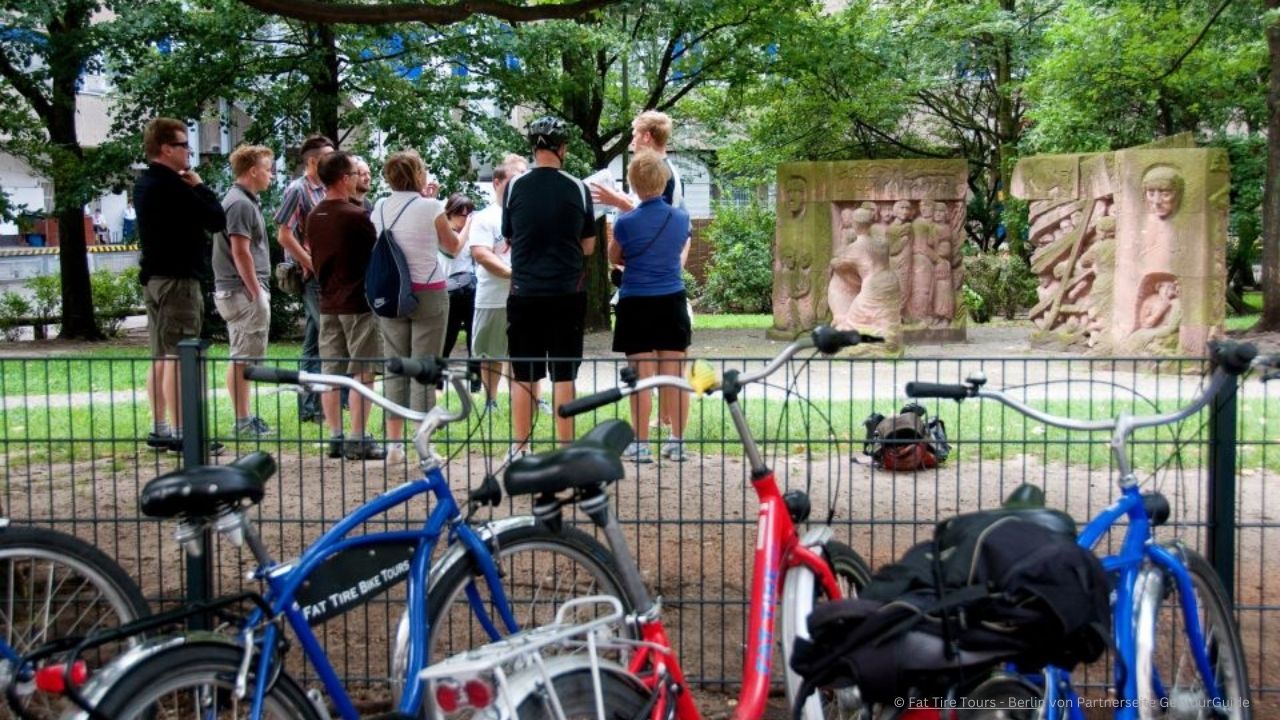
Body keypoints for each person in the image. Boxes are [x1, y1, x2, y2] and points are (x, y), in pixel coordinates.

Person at [133, 117, 226, 452]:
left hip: (155, 278)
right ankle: (185, 432)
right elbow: (216, 219)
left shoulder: (144, 184)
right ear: (165, 148)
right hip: (178, 281)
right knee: (180, 355)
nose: (189, 152)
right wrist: (199, 186)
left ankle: (160, 428)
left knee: (160, 354)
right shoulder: (173, 186)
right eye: (184, 145)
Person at [503, 116, 596, 452]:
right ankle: (567, 448)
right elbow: (588, 245)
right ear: (562, 148)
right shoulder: (577, 187)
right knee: (564, 374)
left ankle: (520, 448)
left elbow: (509, 236)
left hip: (524, 293)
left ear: (533, 148)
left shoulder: (514, 186)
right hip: (566, 295)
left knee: (524, 375)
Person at [372, 150, 463, 462]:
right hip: (428, 293)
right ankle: (424, 445)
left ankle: (394, 445)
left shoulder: (380, 207)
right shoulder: (432, 207)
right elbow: (452, 246)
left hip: (392, 294)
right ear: (418, 175)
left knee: (395, 365)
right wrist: (462, 228)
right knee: (425, 367)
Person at [608, 151, 692, 462]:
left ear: (632, 183)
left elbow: (613, 257)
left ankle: (641, 444)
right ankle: (678, 441)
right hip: (671, 301)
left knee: (641, 377)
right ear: (664, 179)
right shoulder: (681, 218)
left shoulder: (625, 222)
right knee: (674, 374)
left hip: (636, 303)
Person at [307, 151, 385, 461]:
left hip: (328, 303)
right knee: (363, 372)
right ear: (343, 179)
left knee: (331, 371)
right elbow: (376, 254)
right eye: (354, 174)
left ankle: (335, 437)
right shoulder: (355, 216)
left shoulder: (315, 215)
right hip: (357, 303)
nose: (358, 178)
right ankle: (358, 437)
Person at [212, 144, 275, 438]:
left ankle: (245, 416)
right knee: (241, 356)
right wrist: (255, 292)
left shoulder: (246, 201)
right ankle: (242, 420)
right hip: (241, 291)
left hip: (243, 290)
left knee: (244, 355)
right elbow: (241, 251)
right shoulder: (239, 204)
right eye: (267, 168)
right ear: (253, 171)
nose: (271, 174)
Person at [273, 134, 335, 425]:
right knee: (327, 337)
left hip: (326, 273)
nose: (333, 160)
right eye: (327, 155)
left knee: (313, 343)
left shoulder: (325, 189)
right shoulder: (297, 190)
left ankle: (310, 408)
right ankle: (315, 407)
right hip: (312, 276)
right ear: (313, 160)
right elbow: (283, 234)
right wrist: (309, 262)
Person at [468, 155, 528, 411]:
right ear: (497, 183)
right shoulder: (485, 217)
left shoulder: (529, 214)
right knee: (490, 353)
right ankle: (490, 399)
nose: (521, 184)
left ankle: (524, 399)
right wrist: (513, 274)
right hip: (493, 296)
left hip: (524, 295)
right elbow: (481, 254)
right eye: (515, 179)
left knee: (522, 352)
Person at [441, 193, 481, 392]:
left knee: (474, 338)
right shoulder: (443, 232)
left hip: (470, 289)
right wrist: (468, 227)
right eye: (460, 213)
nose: (464, 218)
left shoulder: (471, 234)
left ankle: (475, 382)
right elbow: (453, 250)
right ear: (449, 214)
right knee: (447, 338)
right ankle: (438, 382)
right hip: (449, 292)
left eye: (468, 214)